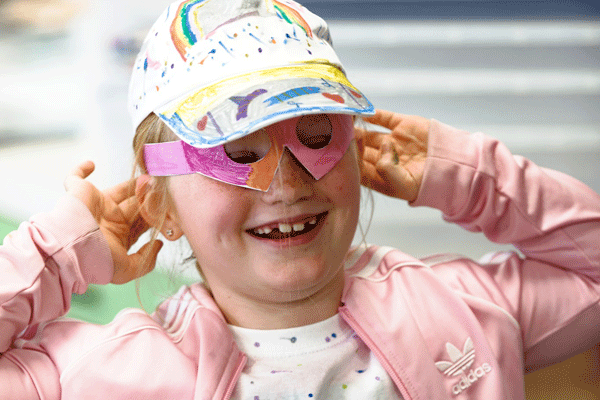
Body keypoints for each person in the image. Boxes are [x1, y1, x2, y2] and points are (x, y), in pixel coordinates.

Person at [1, 0, 599, 398]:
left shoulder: (462, 307)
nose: (285, 183)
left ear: (356, 154)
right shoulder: (110, 375)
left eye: (314, 135)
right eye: (235, 151)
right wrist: (58, 255)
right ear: (160, 207)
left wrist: (468, 177)